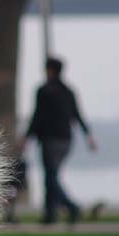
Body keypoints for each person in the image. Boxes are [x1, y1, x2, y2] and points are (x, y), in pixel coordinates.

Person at [23, 56, 97, 224]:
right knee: (52, 175)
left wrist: (26, 138)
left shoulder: (43, 91)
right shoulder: (69, 91)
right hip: (66, 140)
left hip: (50, 140)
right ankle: (50, 215)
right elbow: (78, 115)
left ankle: (70, 206)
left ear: (50, 70)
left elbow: (37, 117)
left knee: (51, 177)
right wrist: (88, 136)